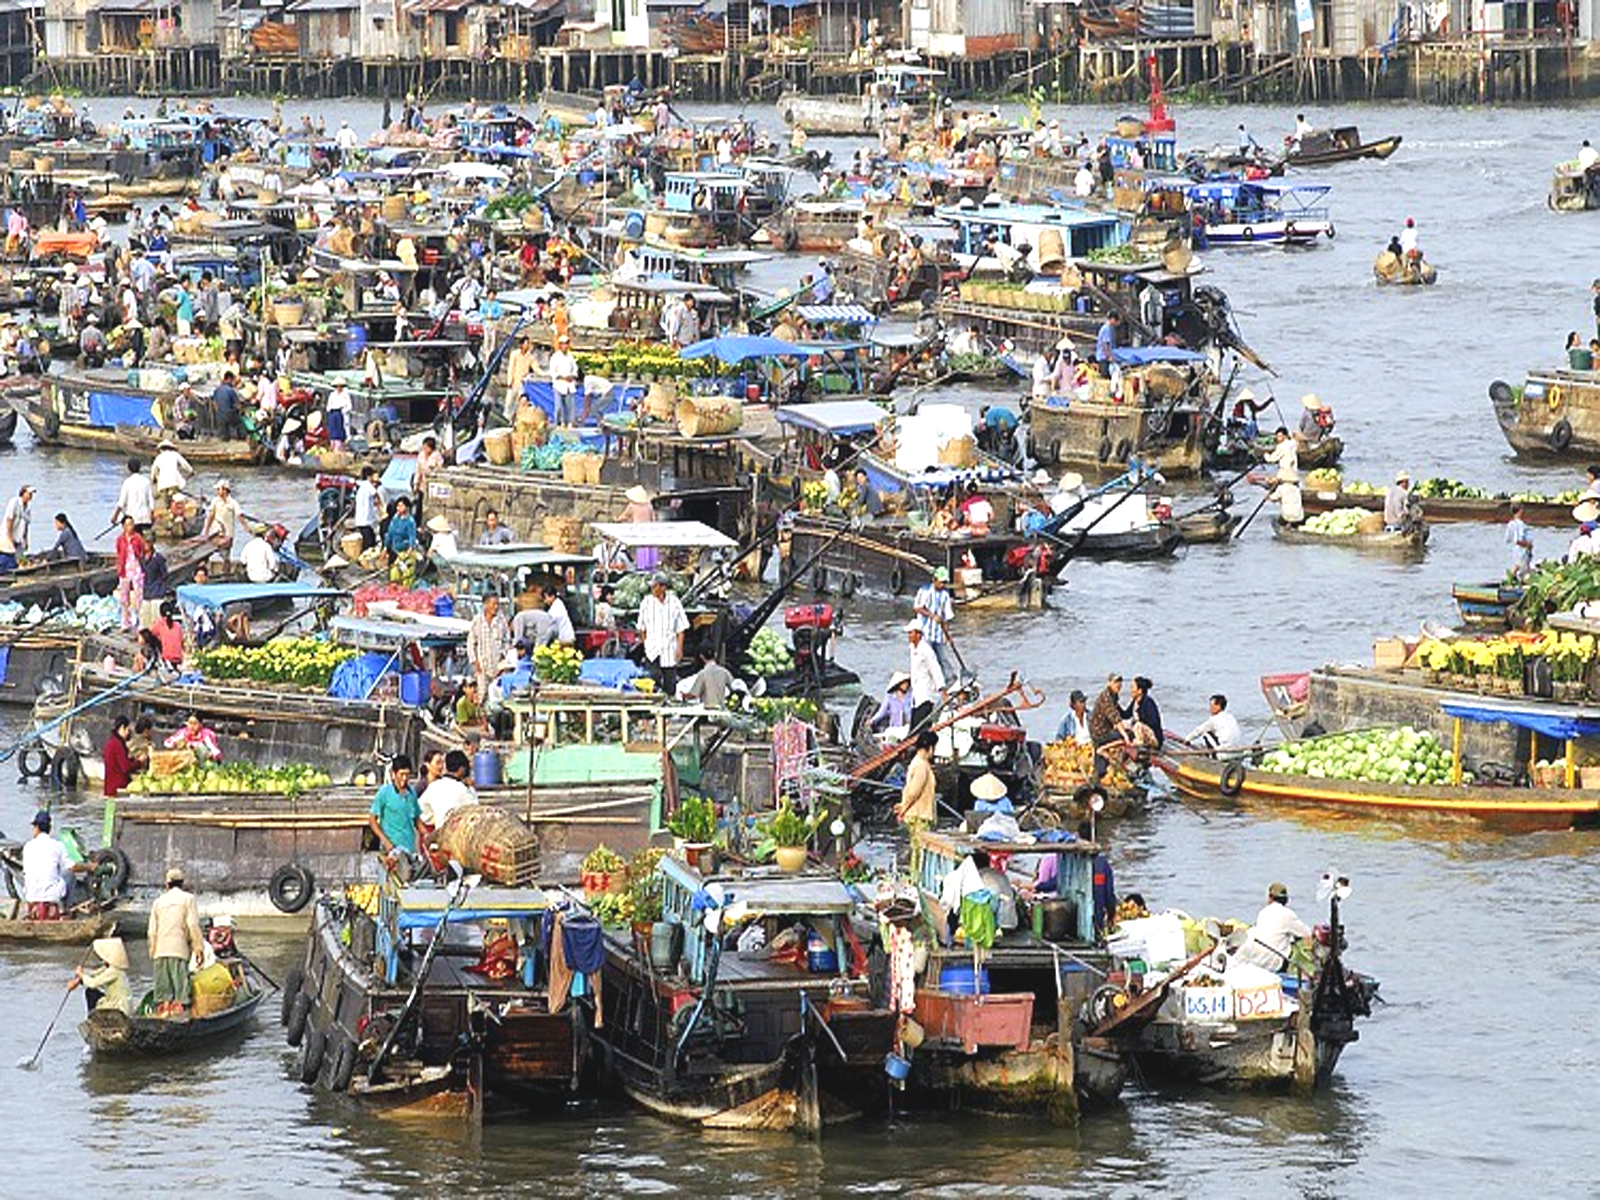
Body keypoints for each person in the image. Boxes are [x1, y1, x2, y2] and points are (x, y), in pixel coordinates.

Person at [148, 866, 204, 1017]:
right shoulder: (188, 899)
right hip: (179, 950)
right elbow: (192, 925)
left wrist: (153, 951)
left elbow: (152, 931)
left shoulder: (158, 902)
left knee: (163, 995)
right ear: (182, 883)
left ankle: (164, 1014)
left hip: (160, 951)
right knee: (181, 995)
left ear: (167, 885)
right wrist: (198, 949)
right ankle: (180, 1016)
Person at [1234, 882, 1311, 972]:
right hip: (1275, 964)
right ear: (1286, 900)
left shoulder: (1262, 912)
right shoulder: (1288, 914)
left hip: (1257, 961)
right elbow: (1307, 933)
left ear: (1270, 898)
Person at [638, 572, 690, 694]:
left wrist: (679, 648)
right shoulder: (646, 603)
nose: (652, 589)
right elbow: (641, 628)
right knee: (652, 682)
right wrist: (646, 645)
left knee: (670, 683)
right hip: (652, 650)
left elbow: (681, 628)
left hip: (669, 649)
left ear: (663, 587)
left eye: (655, 586)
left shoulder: (675, 602)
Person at [22, 809, 80, 920]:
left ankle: (32, 909)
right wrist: (89, 867)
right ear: (49, 828)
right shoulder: (57, 846)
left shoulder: (27, 847)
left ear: (37, 828)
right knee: (70, 875)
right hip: (52, 896)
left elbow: (25, 874)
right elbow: (73, 867)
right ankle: (66, 911)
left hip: (31, 897)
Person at [368, 754, 424, 867]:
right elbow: (372, 820)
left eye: (407, 775)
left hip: (409, 849)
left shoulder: (412, 793)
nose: (404, 778)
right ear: (393, 774)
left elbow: (416, 820)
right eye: (401, 774)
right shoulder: (384, 793)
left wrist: (427, 834)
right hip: (390, 850)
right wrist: (385, 841)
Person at [913, 568, 959, 683]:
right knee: (927, 658)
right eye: (941, 582)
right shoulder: (925, 591)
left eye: (944, 582)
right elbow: (918, 608)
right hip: (925, 633)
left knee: (943, 658)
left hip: (939, 634)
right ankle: (930, 680)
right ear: (935, 580)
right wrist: (932, 616)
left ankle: (950, 680)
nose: (942, 584)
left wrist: (949, 636)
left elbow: (946, 617)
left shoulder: (945, 595)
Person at [68, 937, 133, 1017]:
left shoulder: (114, 971)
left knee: (91, 992)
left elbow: (93, 983)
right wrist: (79, 979)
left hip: (119, 1006)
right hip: (115, 1001)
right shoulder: (109, 968)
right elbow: (94, 975)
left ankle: (93, 1018)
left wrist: (81, 975)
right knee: (92, 992)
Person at [894, 729, 939, 841]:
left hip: (918, 814)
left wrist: (903, 806)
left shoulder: (919, 763)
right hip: (919, 816)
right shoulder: (921, 766)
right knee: (918, 852)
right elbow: (914, 792)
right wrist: (903, 809)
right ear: (930, 748)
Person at [466, 594, 513, 697]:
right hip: (482, 667)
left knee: (498, 695)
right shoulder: (477, 620)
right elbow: (470, 642)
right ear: (486, 605)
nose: (496, 607)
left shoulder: (501, 620)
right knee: (481, 695)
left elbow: (507, 641)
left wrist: (503, 657)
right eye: (493, 604)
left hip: (498, 667)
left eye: (497, 604)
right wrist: (474, 662)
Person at [418, 749, 476, 830]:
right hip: (458, 837)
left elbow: (421, 811)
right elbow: (475, 812)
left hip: (440, 835)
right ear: (462, 769)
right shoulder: (462, 789)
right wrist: (471, 788)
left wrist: (435, 818)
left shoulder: (433, 787)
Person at [906, 619, 946, 731]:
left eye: (911, 633)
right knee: (914, 723)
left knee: (922, 722)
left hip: (925, 692)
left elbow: (935, 669)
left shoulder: (926, 650)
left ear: (918, 634)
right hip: (916, 691)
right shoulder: (912, 648)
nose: (909, 636)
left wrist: (942, 689)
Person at [1089, 672, 1129, 780]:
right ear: (1109, 683)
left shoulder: (1114, 696)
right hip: (1100, 732)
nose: (1119, 685)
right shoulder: (1106, 698)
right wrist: (1125, 735)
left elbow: (1122, 714)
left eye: (1120, 682)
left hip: (1101, 731)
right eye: (1116, 682)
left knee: (1100, 769)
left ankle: (1098, 779)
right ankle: (1103, 750)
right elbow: (1115, 718)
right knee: (1127, 737)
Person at [115, 516, 146, 632]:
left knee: (138, 595)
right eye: (128, 525)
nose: (130, 527)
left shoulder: (137, 538)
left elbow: (142, 551)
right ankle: (125, 622)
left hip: (136, 567)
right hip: (125, 569)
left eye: (132, 524)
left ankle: (139, 621)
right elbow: (119, 553)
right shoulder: (120, 539)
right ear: (123, 526)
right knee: (124, 597)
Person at [113, 458, 155, 532]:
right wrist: (152, 518)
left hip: (132, 520)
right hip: (146, 519)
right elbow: (151, 503)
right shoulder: (146, 482)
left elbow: (121, 503)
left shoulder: (127, 482)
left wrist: (114, 517)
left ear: (129, 469)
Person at [0, 483, 34, 571]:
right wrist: (10, 537)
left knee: (18, 560)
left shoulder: (28, 509)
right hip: (7, 536)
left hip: (19, 538)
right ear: (23, 493)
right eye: (29, 493)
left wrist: (26, 540)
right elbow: (9, 520)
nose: (31, 496)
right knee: (6, 557)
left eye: (31, 494)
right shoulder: (14, 502)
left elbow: (26, 525)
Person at [548, 335, 580, 426]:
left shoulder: (571, 357)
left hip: (569, 385)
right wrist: (562, 377)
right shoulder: (555, 357)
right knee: (559, 406)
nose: (565, 346)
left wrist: (572, 376)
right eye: (563, 344)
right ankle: (559, 422)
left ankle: (570, 423)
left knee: (570, 406)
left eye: (567, 344)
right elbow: (553, 372)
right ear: (560, 345)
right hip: (559, 385)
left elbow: (575, 369)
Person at [151, 439, 193, 506]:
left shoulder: (159, 457)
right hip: (174, 483)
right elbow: (186, 466)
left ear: (161, 449)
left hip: (162, 485)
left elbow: (153, 470)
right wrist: (191, 471)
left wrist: (153, 480)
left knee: (166, 504)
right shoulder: (175, 455)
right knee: (175, 503)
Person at [201, 479, 241, 547]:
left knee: (225, 553)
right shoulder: (215, 501)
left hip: (228, 535)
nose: (217, 492)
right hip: (216, 533)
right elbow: (210, 517)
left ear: (224, 490)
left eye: (218, 489)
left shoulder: (233, 503)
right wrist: (206, 531)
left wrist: (248, 530)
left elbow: (240, 517)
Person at [353, 466, 382, 551]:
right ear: (369, 476)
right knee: (369, 544)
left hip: (361, 520)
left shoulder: (362, 486)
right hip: (365, 520)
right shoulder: (367, 485)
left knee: (370, 541)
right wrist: (380, 504)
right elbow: (375, 494)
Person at [151, 601, 184, 666]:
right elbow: (181, 640)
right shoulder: (178, 625)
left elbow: (151, 634)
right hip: (178, 657)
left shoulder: (160, 624)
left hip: (166, 657)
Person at [1507, 504, 1535, 580]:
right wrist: (1528, 545)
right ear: (1520, 511)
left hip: (1515, 550)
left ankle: (1510, 581)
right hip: (1522, 551)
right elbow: (1518, 540)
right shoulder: (1520, 524)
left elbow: (1509, 539)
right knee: (1523, 571)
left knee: (1516, 566)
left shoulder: (1510, 524)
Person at [324, 380, 353, 450]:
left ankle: (341, 445)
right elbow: (328, 406)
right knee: (333, 431)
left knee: (341, 431)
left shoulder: (345, 394)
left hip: (342, 413)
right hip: (333, 413)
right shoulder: (332, 394)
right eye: (337, 386)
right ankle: (332, 445)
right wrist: (330, 411)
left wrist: (343, 411)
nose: (339, 388)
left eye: (340, 386)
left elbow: (349, 406)